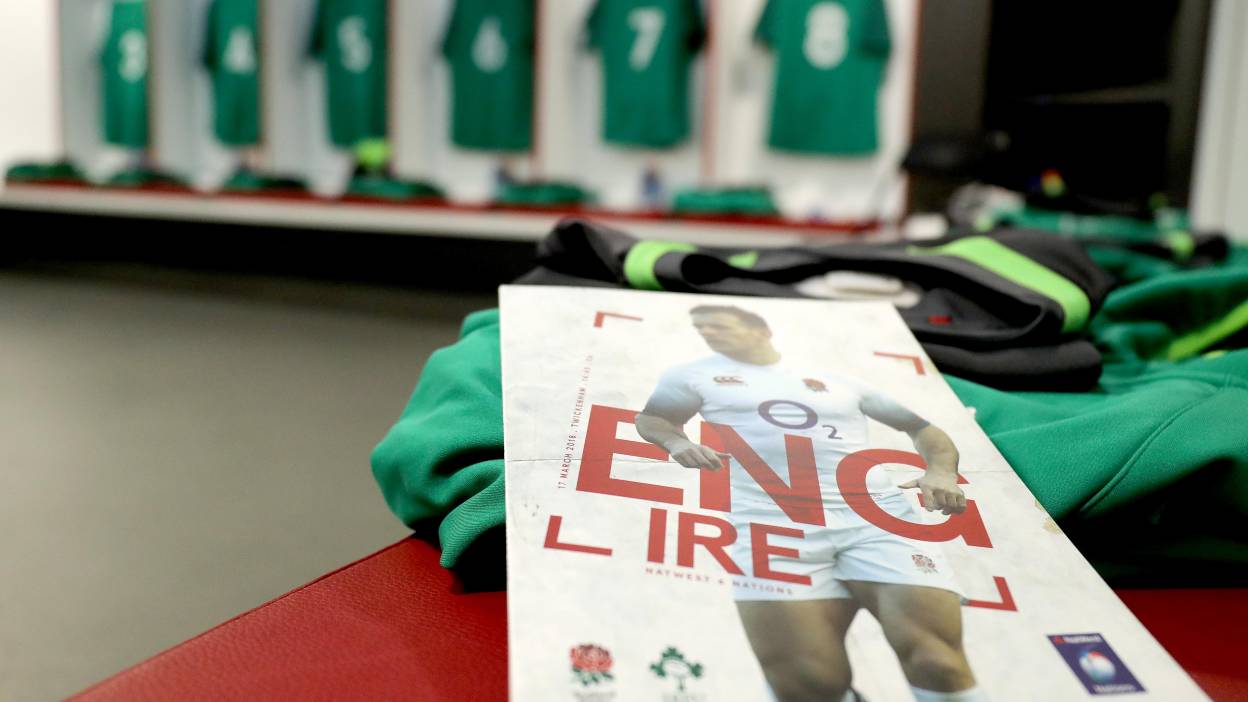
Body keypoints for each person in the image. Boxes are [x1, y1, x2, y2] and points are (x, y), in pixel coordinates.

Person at [635, 305, 986, 702]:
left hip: (874, 517)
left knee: (937, 662)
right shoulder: (691, 375)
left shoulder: (837, 380)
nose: (709, 333)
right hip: (771, 522)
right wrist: (676, 441)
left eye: (718, 325)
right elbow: (652, 419)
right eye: (702, 328)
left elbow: (920, 428)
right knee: (809, 686)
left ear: (762, 330)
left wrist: (941, 472)